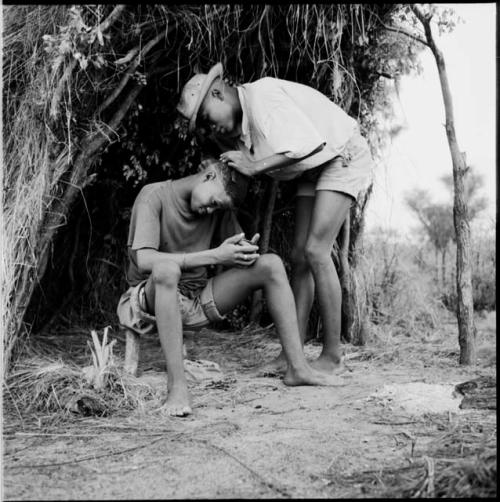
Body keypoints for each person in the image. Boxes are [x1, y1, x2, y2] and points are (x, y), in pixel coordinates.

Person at [177, 63, 374, 375]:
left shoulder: (263, 97)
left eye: (205, 118)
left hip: (341, 154)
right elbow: (242, 182)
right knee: (299, 256)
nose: (208, 127)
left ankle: (332, 356)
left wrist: (255, 167)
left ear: (217, 93)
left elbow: (309, 143)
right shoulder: (240, 133)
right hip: (314, 169)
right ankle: (291, 354)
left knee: (316, 251)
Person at [116, 158, 347, 417]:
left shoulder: (219, 209)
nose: (210, 211)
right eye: (214, 203)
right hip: (147, 299)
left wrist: (245, 250)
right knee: (167, 269)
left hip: (197, 299)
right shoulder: (153, 195)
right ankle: (177, 387)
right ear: (209, 176)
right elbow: (144, 260)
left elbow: (233, 249)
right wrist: (216, 256)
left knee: (270, 264)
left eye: (218, 208)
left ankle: (297, 367)